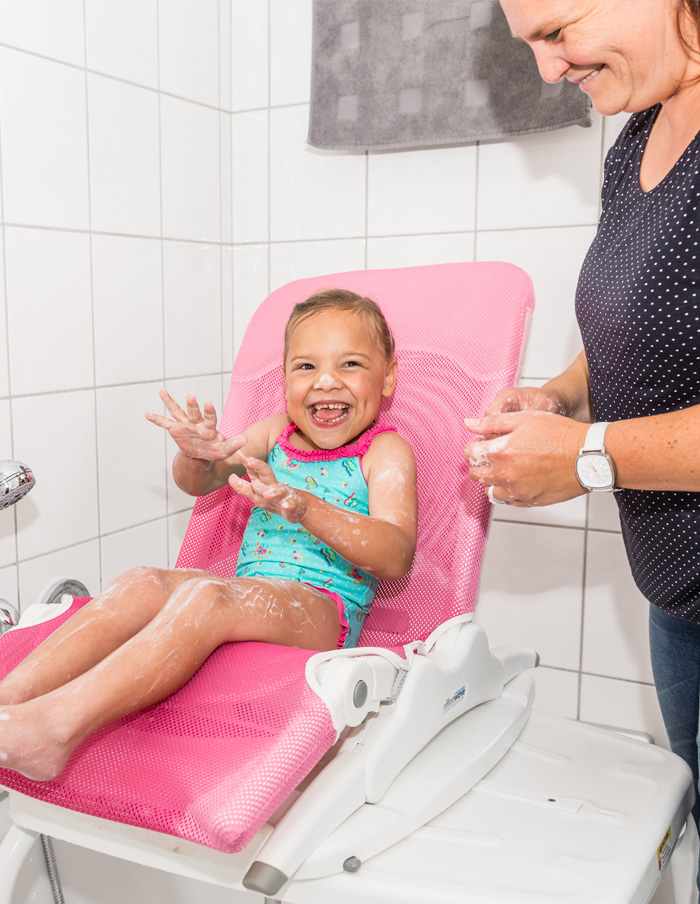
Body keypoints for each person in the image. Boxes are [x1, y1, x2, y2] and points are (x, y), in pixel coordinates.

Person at [0, 289, 417, 782]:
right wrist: (199, 455)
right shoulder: (275, 433)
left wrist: (306, 507)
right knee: (141, 581)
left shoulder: (383, 451)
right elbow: (202, 484)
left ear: (387, 375)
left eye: (349, 364)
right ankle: (11, 698)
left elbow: (394, 556)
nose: (325, 381)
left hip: (325, 611)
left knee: (206, 594)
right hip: (250, 594)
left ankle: (57, 729)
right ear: (284, 378)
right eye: (305, 367)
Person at [464, 0, 700, 862]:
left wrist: (590, 458)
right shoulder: (638, 136)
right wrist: (561, 398)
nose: (548, 73)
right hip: (679, 594)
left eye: (558, 33)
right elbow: (644, 321)